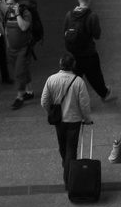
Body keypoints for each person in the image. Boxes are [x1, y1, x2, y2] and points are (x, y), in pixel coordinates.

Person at [39, 53, 93, 185]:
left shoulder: (51, 79)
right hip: (74, 120)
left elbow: (44, 101)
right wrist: (87, 118)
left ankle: (66, 166)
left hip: (58, 120)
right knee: (71, 149)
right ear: (73, 65)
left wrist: (51, 112)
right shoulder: (78, 81)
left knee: (62, 146)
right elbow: (84, 103)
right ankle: (69, 178)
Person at [64, 0, 109, 101]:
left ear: (79, 0)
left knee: (74, 77)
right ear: (89, 1)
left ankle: (72, 99)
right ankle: (103, 93)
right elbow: (97, 35)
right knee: (95, 75)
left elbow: (64, 32)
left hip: (73, 53)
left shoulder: (69, 15)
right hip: (88, 52)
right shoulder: (92, 16)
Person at [4, 0, 37, 109]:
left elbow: (23, 27)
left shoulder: (25, 14)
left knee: (19, 72)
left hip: (24, 49)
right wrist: (8, 46)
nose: (9, 6)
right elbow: (6, 31)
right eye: (7, 4)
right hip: (12, 50)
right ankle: (29, 91)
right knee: (23, 69)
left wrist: (17, 13)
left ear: (17, 4)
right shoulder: (7, 14)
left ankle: (19, 97)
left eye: (11, 4)